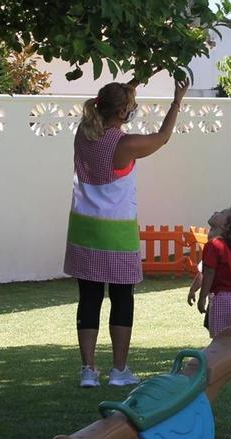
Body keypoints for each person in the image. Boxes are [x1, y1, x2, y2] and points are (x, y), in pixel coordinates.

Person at [66, 77, 189, 388]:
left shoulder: (84, 133)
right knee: (122, 299)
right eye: (131, 107)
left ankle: (88, 371)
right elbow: (162, 137)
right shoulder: (125, 144)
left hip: (84, 230)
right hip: (117, 234)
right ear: (122, 112)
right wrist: (177, 100)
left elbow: (113, 98)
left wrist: (135, 80)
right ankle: (119, 370)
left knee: (89, 299)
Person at [194, 207, 231, 337]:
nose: (216, 212)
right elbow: (204, 271)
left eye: (223, 213)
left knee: (220, 340)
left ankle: (217, 358)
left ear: (227, 226)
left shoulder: (213, 245)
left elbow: (208, 274)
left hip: (222, 298)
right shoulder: (228, 250)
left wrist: (202, 297)